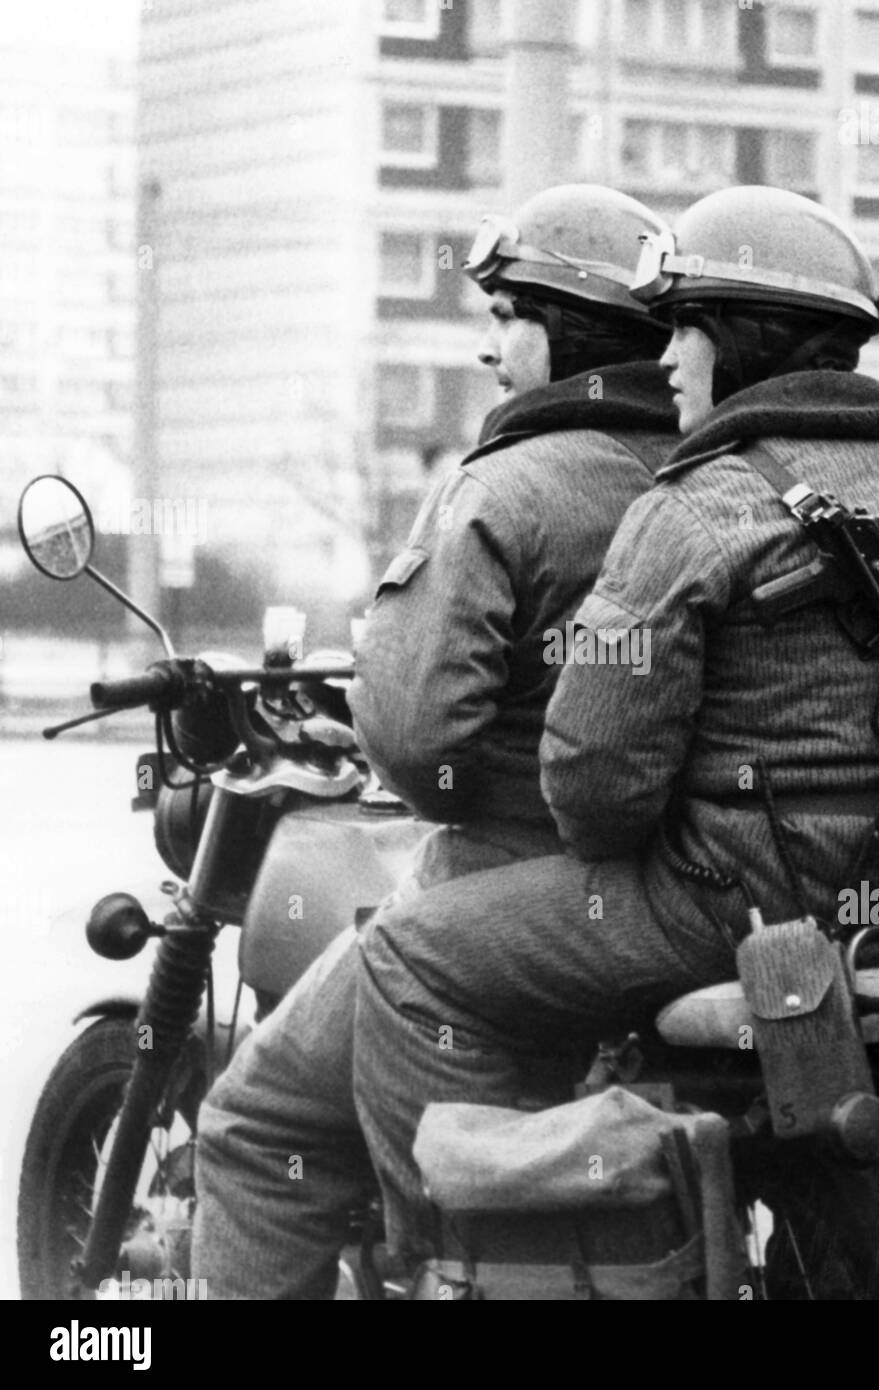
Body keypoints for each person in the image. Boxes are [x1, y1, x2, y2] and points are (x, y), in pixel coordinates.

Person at [349, 185, 879, 1288]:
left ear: (740, 341)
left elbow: (591, 783)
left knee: (404, 957)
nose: (667, 357)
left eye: (684, 325)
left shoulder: (695, 509)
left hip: (735, 906)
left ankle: (460, 1267)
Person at [192, 184, 678, 1298]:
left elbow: (417, 740)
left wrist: (410, 740)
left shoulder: (503, 487)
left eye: (507, 314)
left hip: (499, 893)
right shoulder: (708, 482)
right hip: (670, 903)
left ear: (564, 330)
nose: (487, 346)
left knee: (258, 1126)